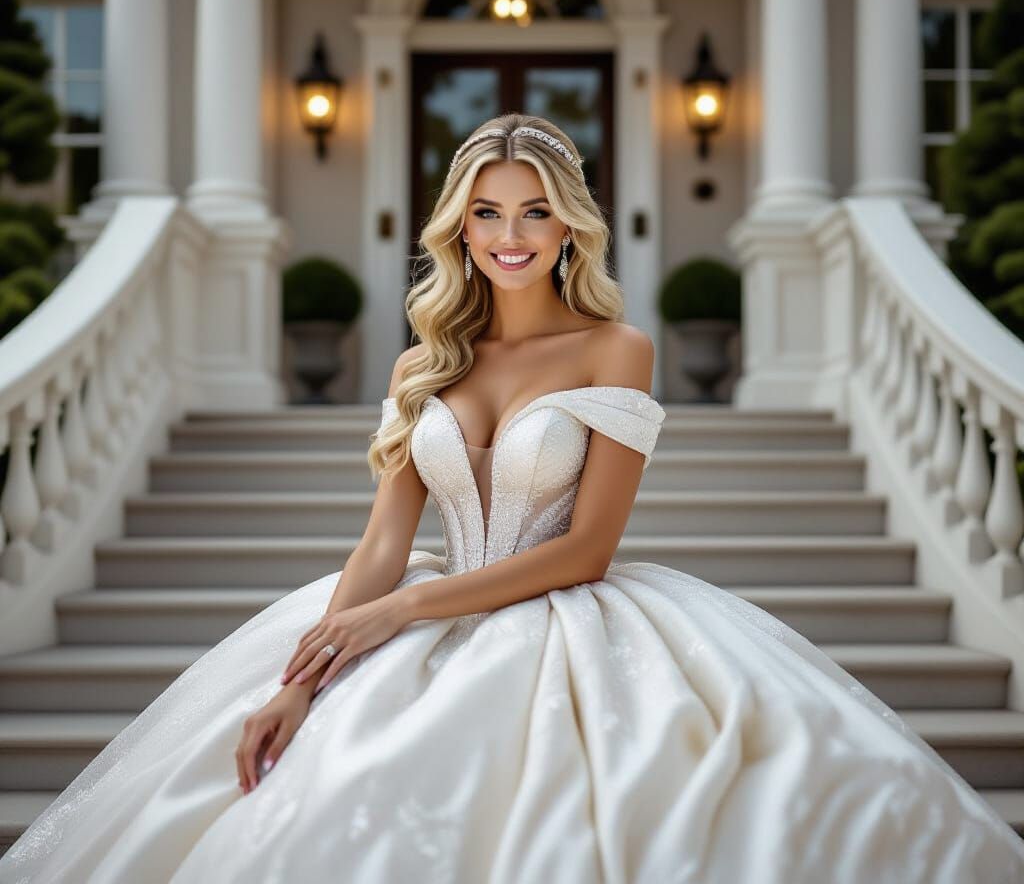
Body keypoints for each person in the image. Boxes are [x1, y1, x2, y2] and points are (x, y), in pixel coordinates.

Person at [2, 113, 1023, 884]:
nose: (510, 235)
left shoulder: (616, 348)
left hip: (564, 619)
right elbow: (381, 544)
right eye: (486, 212)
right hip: (420, 617)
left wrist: (403, 608)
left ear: (570, 223)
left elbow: (586, 549)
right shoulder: (424, 361)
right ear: (459, 226)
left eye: (535, 210)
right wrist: (303, 676)